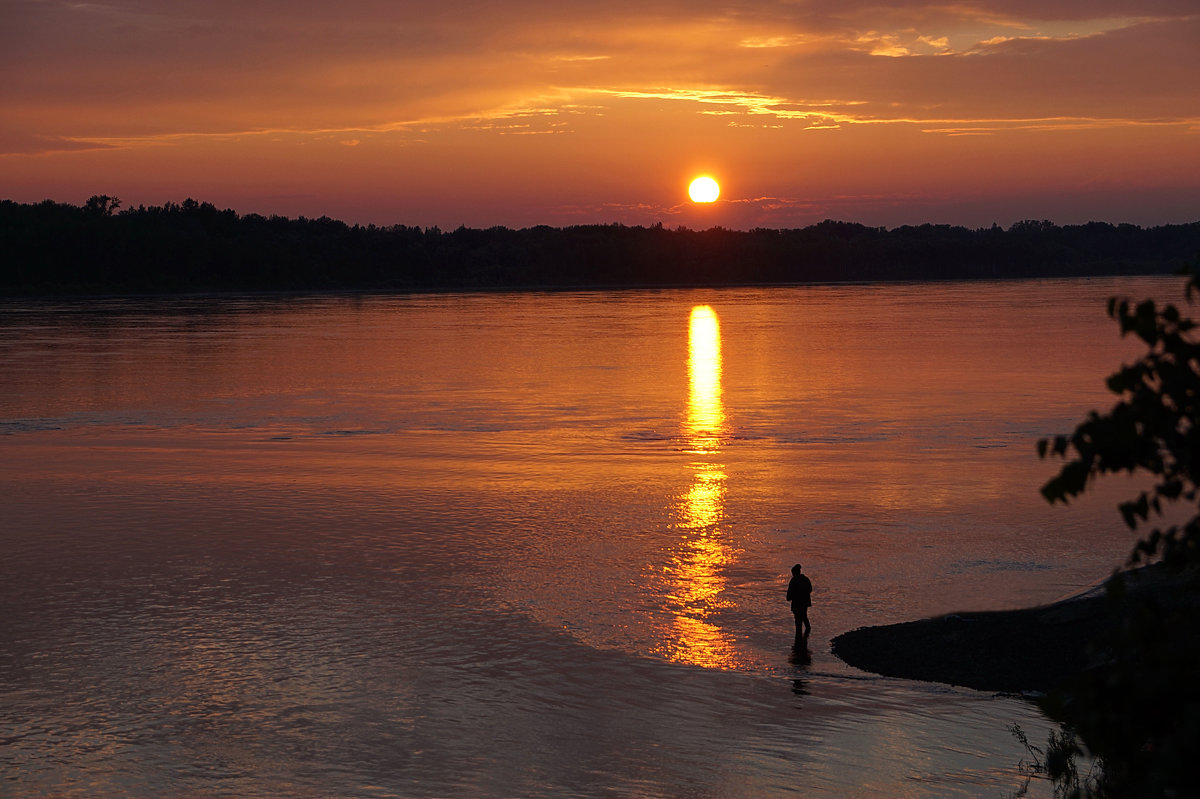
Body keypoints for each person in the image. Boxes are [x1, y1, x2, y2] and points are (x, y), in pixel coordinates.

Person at [786, 563, 813, 639]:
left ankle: (799, 640)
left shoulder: (794, 580)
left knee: (798, 622)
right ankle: (806, 636)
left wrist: (789, 597)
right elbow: (810, 589)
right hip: (805, 603)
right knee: (804, 617)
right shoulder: (806, 579)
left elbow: (789, 595)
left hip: (797, 604)